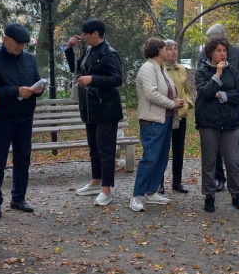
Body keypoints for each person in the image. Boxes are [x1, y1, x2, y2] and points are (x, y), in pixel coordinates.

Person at [0, 23, 44, 220]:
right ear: (6, 39)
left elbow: (36, 79)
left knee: (23, 159)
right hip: (2, 118)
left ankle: (18, 198)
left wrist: (38, 89)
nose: (21, 47)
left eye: (24, 44)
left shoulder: (29, 59)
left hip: (25, 116)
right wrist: (16, 91)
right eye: (18, 43)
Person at [197, 24, 239, 194]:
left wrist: (226, 92)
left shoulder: (236, 52)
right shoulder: (203, 55)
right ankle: (218, 179)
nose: (221, 52)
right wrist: (218, 84)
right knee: (214, 148)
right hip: (212, 112)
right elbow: (203, 85)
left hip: (234, 108)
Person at [65, 19, 124, 206]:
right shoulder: (89, 50)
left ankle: (106, 190)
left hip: (107, 109)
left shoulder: (110, 53)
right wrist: (69, 50)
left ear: (96, 34)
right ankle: (96, 181)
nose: (83, 37)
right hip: (90, 108)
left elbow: (117, 79)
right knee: (94, 148)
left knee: (106, 150)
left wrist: (93, 79)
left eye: (85, 33)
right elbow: (77, 69)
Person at [130, 38, 186, 212]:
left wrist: (177, 100)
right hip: (152, 120)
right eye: (164, 48)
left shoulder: (161, 68)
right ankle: (137, 195)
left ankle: (151, 191)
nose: (168, 51)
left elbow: (169, 89)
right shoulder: (148, 68)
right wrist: (172, 103)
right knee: (150, 158)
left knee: (161, 157)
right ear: (158, 50)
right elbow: (151, 94)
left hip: (165, 119)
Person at [195, 36, 239, 213]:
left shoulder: (233, 71)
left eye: (225, 50)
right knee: (209, 161)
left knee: (233, 160)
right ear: (211, 52)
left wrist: (221, 95)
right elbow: (205, 92)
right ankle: (209, 195)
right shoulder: (203, 71)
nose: (222, 54)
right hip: (209, 123)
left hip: (231, 122)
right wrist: (217, 75)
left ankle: (236, 194)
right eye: (219, 50)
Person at [160, 39, 193, 194]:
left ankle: (177, 182)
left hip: (180, 115)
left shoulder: (181, 68)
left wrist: (187, 104)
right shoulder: (159, 69)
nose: (173, 52)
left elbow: (186, 90)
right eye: (170, 49)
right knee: (162, 149)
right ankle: (159, 183)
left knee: (178, 149)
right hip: (165, 115)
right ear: (163, 51)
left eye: (175, 49)